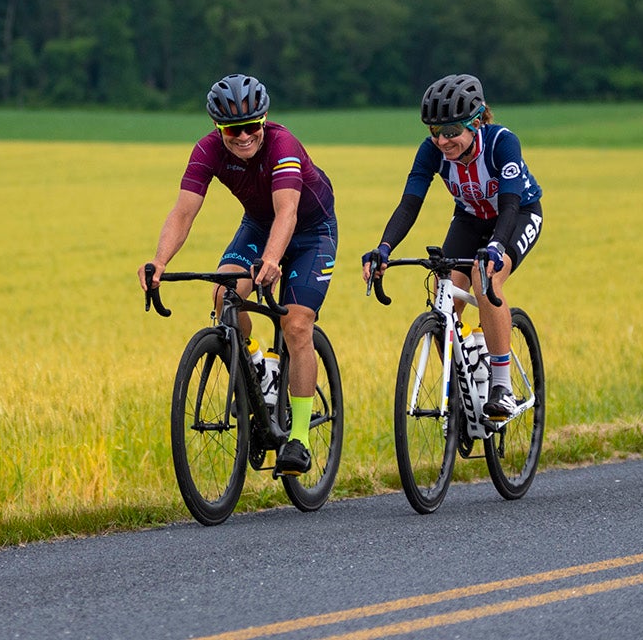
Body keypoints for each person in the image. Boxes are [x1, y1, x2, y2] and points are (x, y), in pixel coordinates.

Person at [140, 74, 339, 476]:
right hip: (259, 224)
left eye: (252, 126)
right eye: (233, 129)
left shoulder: (284, 145)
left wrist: (271, 260)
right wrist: (159, 262)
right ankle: (259, 365)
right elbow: (183, 211)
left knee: (297, 324)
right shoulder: (208, 150)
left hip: (310, 231)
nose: (243, 136)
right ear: (218, 128)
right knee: (222, 293)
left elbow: (288, 212)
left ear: (264, 120)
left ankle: (298, 437)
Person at [361, 73, 543, 419]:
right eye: (434, 132)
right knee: (445, 292)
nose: (442, 141)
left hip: (517, 214)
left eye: (450, 132)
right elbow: (409, 204)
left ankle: (501, 385)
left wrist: (496, 248)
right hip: (471, 218)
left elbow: (508, 206)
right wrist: (383, 247)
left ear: (477, 123)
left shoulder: (502, 143)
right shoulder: (431, 152)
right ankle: (466, 380)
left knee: (484, 276)